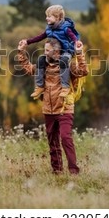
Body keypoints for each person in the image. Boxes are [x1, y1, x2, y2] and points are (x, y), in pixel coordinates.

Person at [17, 37, 88, 175]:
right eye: (44, 49)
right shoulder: (43, 66)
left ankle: (74, 171)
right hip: (48, 110)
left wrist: (79, 53)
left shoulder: (68, 65)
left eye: (47, 50)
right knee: (52, 141)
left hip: (64, 108)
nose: (45, 53)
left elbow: (83, 71)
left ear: (56, 52)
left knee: (66, 138)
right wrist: (21, 52)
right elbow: (28, 68)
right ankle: (57, 171)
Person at [20, 5, 81, 99]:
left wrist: (77, 43)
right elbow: (40, 37)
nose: (46, 18)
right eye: (46, 16)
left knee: (63, 61)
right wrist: (27, 41)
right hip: (53, 52)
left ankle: (65, 87)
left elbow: (73, 37)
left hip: (66, 51)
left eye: (49, 16)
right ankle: (40, 86)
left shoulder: (65, 28)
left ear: (58, 18)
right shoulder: (49, 28)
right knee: (40, 60)